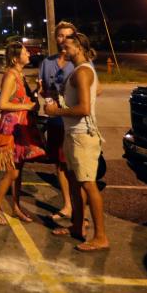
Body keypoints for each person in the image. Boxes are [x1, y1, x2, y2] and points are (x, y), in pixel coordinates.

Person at [45, 33, 110, 252]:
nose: (63, 51)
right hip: (72, 134)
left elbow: (83, 109)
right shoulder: (77, 71)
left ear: (80, 47)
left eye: (67, 47)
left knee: (89, 185)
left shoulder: (83, 72)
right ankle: (76, 227)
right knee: (75, 183)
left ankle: (100, 236)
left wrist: (56, 111)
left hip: (83, 136)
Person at [0, 41, 42, 225]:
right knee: (12, 173)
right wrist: (27, 105)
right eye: (25, 52)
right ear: (15, 57)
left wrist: (36, 92)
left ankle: (15, 207)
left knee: (19, 170)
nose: (29, 54)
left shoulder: (20, 74)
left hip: (21, 128)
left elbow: (19, 97)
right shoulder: (10, 76)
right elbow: (2, 104)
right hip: (10, 129)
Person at [38, 21, 76, 220]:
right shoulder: (47, 62)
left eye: (68, 36)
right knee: (60, 165)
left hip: (74, 122)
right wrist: (44, 92)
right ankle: (67, 205)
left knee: (75, 165)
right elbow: (44, 90)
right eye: (60, 36)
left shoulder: (79, 62)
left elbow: (93, 90)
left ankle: (79, 209)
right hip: (55, 121)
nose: (63, 40)